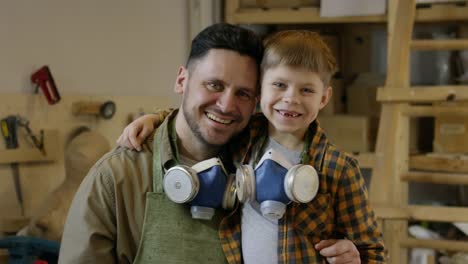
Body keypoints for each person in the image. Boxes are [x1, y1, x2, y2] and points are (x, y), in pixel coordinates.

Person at [117, 30, 386, 263]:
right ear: (260, 91)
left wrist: (354, 256)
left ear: (325, 97)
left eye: (307, 90)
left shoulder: (339, 168)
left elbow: (374, 252)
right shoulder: (242, 137)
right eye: (280, 85)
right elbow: (200, 118)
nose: (291, 99)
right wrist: (157, 118)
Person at [58, 23, 263, 263]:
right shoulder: (116, 178)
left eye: (243, 94)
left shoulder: (259, 165)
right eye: (214, 85)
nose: (227, 106)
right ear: (181, 81)